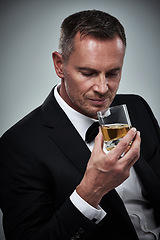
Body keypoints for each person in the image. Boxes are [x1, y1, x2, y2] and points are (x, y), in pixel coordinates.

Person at [0, 10, 160, 240]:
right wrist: (90, 191)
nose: (103, 88)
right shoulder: (17, 145)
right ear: (59, 65)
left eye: (113, 73)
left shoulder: (137, 107)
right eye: (88, 73)